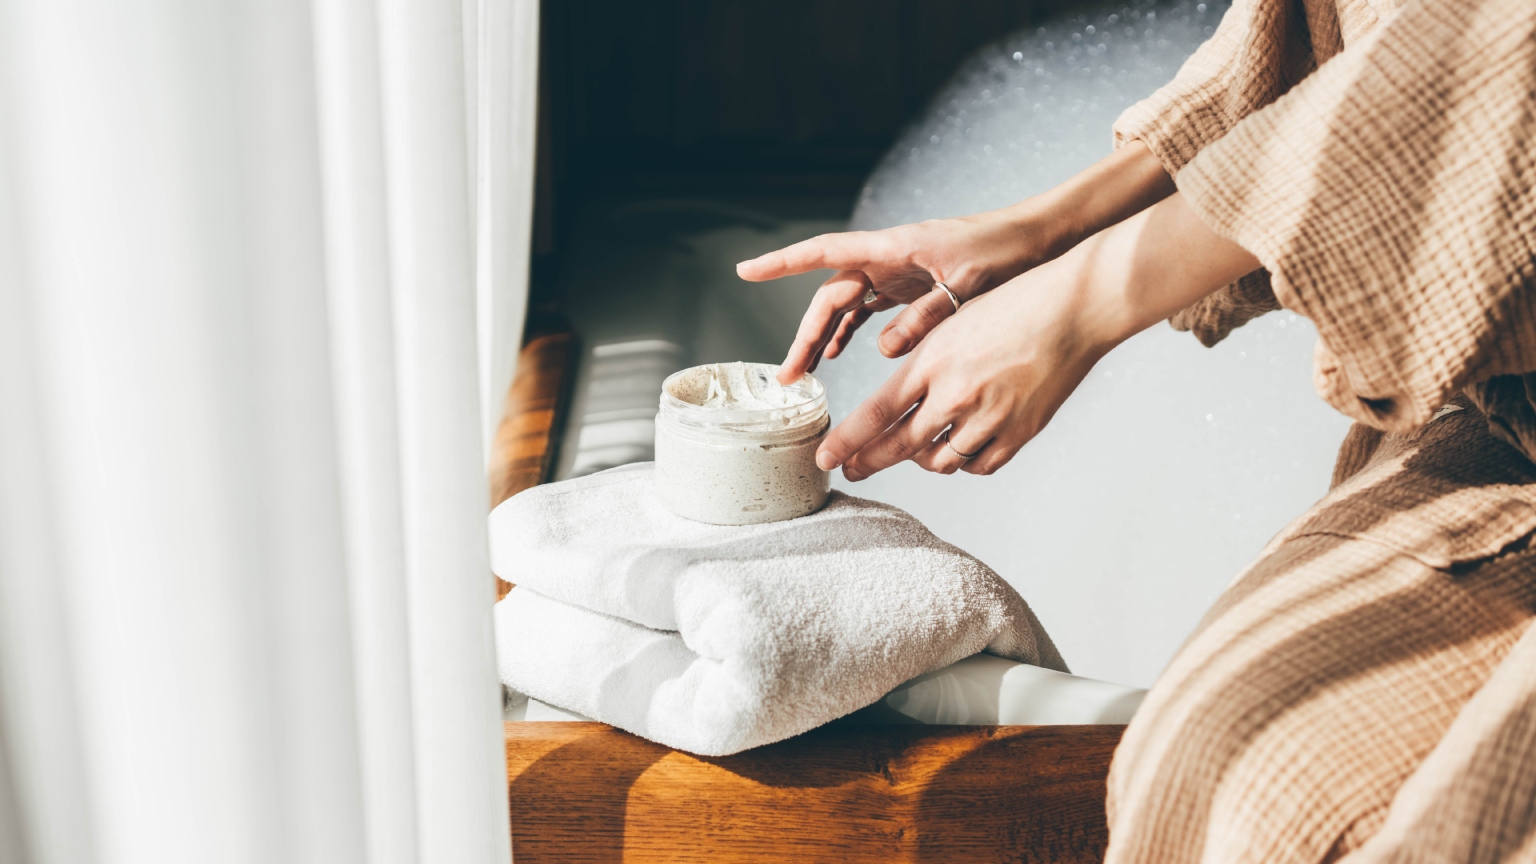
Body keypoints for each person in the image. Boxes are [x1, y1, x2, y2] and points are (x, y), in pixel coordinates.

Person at [737, 0, 1536, 858]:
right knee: (1221, 768)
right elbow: (1328, 35)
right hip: (1506, 419)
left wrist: (1073, 308)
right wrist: (1034, 233)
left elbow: (1498, 65)